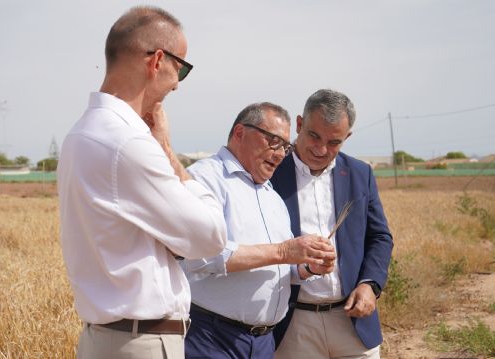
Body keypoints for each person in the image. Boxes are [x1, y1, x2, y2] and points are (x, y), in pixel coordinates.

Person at [56, 6, 228, 359]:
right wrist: (166, 149)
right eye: (181, 68)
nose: (178, 84)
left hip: (104, 339)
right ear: (157, 61)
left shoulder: (80, 135)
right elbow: (210, 236)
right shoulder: (129, 144)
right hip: (141, 342)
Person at [181, 102, 337, 358]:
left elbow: (280, 267)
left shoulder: (270, 195)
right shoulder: (204, 179)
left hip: (264, 341)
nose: (279, 154)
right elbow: (201, 255)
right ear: (240, 133)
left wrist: (308, 266)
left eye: (286, 147)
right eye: (273, 141)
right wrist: (286, 251)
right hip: (211, 338)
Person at [270, 89, 394, 358]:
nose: (321, 149)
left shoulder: (361, 174)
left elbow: (380, 237)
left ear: (346, 138)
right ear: (300, 125)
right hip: (291, 325)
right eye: (314, 136)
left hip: (352, 323)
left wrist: (370, 285)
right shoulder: (270, 173)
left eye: (334, 142)